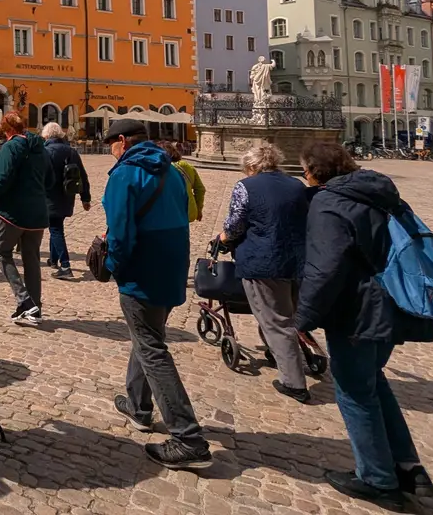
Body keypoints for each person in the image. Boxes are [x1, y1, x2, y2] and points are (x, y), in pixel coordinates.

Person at [295, 140, 433, 509]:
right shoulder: (379, 193)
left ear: (314, 172)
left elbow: (325, 268)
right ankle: (407, 466)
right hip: (393, 304)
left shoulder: (329, 202)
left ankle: (377, 478)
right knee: (374, 381)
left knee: (355, 391)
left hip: (357, 311)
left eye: (305, 171)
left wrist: (304, 317)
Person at [100, 118, 212, 470]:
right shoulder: (174, 172)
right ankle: (139, 406)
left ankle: (188, 437)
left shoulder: (125, 175)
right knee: (147, 336)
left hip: (141, 271)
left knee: (152, 349)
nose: (111, 152)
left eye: (110, 145)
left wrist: (111, 265)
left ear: (121, 141)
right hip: (172, 267)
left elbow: (120, 232)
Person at [219, 140, 313, 403]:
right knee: (288, 314)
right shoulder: (296, 184)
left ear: (251, 166)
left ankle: (294, 383)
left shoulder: (246, 186)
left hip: (263, 261)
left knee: (276, 320)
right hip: (297, 260)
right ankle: (279, 353)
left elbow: (235, 225)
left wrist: (223, 238)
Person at [0, 112, 51, 326]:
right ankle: (34, 309)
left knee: (1, 251)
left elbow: (0, 181)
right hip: (38, 212)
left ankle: (25, 301)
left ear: (7, 129)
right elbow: (50, 180)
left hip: (14, 213)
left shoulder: (10, 147)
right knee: (32, 259)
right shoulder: (41, 148)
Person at [41, 122, 89, 278]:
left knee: (55, 229)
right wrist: (85, 198)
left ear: (46, 136)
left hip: (50, 196)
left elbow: (39, 176)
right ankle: (53, 259)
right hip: (67, 195)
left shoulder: (45, 152)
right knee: (56, 225)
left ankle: (65, 265)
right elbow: (82, 175)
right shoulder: (71, 151)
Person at [165, 141, 207, 224]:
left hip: (170, 212)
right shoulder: (188, 166)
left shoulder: (163, 168)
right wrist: (198, 209)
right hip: (189, 210)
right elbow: (200, 189)